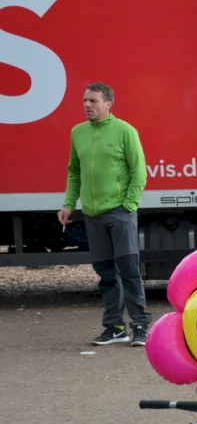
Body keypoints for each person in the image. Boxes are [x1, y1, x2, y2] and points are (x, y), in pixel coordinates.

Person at [58, 82, 150, 347]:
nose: (88, 105)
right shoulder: (78, 133)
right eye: (85, 100)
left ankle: (140, 326)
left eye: (93, 101)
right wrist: (68, 204)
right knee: (105, 273)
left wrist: (129, 206)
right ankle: (115, 327)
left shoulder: (125, 131)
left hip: (119, 213)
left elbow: (138, 171)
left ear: (108, 104)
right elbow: (74, 172)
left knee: (130, 271)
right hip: (92, 215)